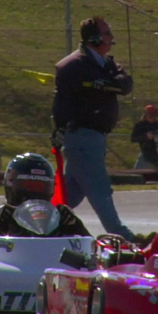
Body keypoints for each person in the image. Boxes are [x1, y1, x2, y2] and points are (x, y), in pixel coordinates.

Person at [51, 15, 137, 242]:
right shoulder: (72, 66)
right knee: (100, 189)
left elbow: (126, 83)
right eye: (106, 33)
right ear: (94, 38)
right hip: (82, 136)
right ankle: (122, 237)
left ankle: (37, 223)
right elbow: (62, 102)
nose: (111, 37)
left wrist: (109, 84)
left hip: (96, 137)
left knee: (69, 195)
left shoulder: (107, 64)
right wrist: (60, 128)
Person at [0, 153, 90, 244]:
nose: (33, 193)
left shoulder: (59, 219)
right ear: (10, 184)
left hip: (52, 265)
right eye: (28, 186)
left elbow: (89, 246)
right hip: (7, 264)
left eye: (39, 187)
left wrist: (75, 225)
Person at [131, 105, 158, 170]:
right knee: (138, 171)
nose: (153, 118)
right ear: (145, 115)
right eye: (150, 116)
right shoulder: (140, 125)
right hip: (147, 152)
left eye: (154, 116)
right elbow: (133, 138)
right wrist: (146, 137)